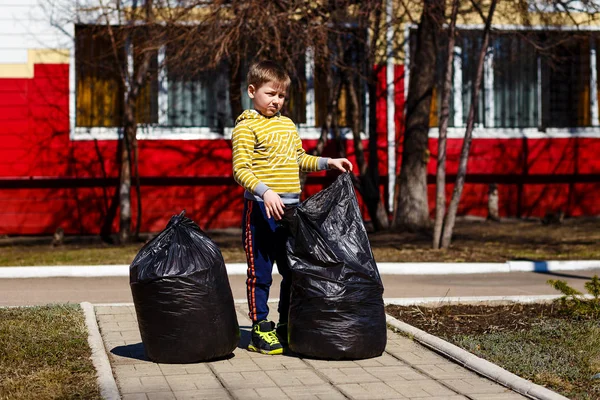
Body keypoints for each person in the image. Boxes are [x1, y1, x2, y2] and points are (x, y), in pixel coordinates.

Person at [231, 60, 353, 355]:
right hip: (261, 213)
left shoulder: (286, 125)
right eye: (270, 93)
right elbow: (240, 170)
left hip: (291, 213)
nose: (276, 101)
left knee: (293, 270)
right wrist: (265, 191)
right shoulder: (246, 128)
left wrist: (327, 163)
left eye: (281, 96)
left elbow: (299, 157)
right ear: (252, 91)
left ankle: (286, 324)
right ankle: (260, 328)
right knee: (260, 274)